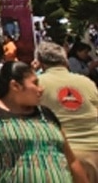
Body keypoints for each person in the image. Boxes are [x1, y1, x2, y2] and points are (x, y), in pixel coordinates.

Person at [0, 60, 88, 183]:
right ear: (15, 86)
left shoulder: (46, 115)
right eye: (35, 83)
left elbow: (71, 160)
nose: (41, 89)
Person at [36, 42, 98, 181]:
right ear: (65, 60)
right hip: (95, 150)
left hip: (62, 155)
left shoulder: (37, 84)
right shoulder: (86, 82)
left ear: (40, 62)